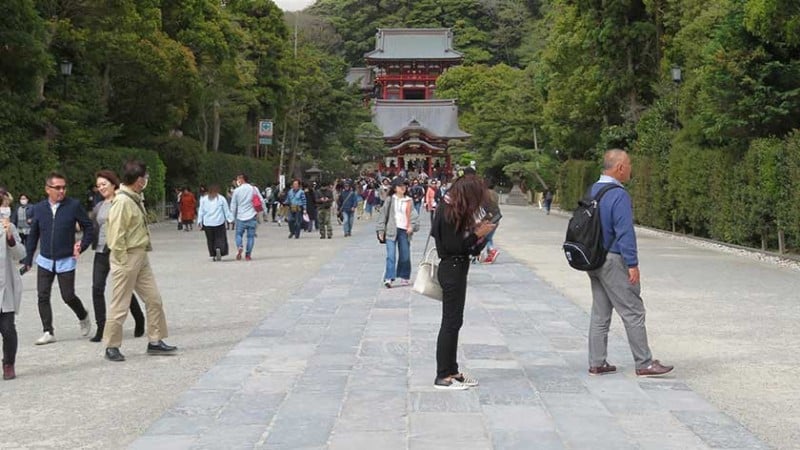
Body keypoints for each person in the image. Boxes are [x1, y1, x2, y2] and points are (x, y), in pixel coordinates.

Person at [587, 149, 673, 377]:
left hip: (593, 259)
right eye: (629, 164)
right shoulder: (618, 195)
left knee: (600, 312)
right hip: (614, 259)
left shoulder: (593, 190)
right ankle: (644, 363)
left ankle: (597, 362)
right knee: (633, 310)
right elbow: (624, 232)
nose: (631, 168)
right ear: (620, 168)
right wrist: (632, 264)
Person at [103, 160, 176, 362]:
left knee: (154, 299)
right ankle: (111, 345)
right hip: (127, 256)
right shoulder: (122, 201)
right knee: (120, 304)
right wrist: (121, 261)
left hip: (140, 254)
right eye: (145, 177)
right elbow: (115, 235)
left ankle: (155, 340)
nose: (146, 180)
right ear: (138, 180)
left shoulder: (135, 197)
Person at [430, 175, 496, 390]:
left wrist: (481, 234)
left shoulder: (453, 209)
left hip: (457, 268)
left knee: (455, 322)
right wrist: (477, 233)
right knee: (450, 323)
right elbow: (454, 247)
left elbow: (468, 248)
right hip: (452, 269)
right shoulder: (447, 211)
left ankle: (452, 370)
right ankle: (443, 375)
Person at [22, 171, 94, 345]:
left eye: (64, 187)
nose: (61, 191)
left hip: (66, 259)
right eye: (57, 188)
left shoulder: (73, 205)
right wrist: (28, 259)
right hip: (45, 259)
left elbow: (89, 227)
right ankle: (48, 331)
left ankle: (83, 315)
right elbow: (33, 235)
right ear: (48, 189)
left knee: (68, 296)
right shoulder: (39, 208)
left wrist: (82, 245)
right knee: (42, 295)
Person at [90, 170, 145, 342]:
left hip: (118, 250)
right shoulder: (99, 206)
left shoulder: (122, 201)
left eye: (104, 184)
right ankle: (101, 326)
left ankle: (139, 317)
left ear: (113, 184)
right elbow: (94, 228)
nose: (101, 188)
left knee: (123, 288)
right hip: (101, 251)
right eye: (98, 186)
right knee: (97, 288)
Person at [376, 177, 419, 288]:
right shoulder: (390, 200)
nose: (403, 188)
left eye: (404, 186)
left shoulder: (409, 200)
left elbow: (414, 215)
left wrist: (412, 226)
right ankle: (389, 277)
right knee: (391, 255)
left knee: (405, 255)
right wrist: (380, 230)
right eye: (400, 186)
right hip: (391, 230)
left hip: (404, 231)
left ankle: (404, 275)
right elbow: (383, 214)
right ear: (395, 188)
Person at [0, 187, 25, 380]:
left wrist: (10, 238)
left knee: (8, 329)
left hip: (4, 287)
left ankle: (8, 363)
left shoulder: (9, 227)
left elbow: (20, 254)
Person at [229, 173, 264, 260]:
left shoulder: (237, 191)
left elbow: (233, 205)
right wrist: (263, 212)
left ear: (242, 179)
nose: (237, 181)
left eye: (238, 179)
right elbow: (261, 200)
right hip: (252, 216)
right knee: (250, 237)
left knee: (238, 234)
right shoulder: (254, 189)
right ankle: (248, 254)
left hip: (240, 217)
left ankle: (240, 246)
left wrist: (231, 217)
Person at [197, 184, 233, 261]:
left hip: (207, 223)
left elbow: (201, 211)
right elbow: (226, 210)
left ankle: (213, 253)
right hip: (219, 222)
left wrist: (199, 221)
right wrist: (230, 219)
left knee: (210, 239)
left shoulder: (204, 199)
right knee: (220, 237)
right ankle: (219, 248)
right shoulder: (221, 198)